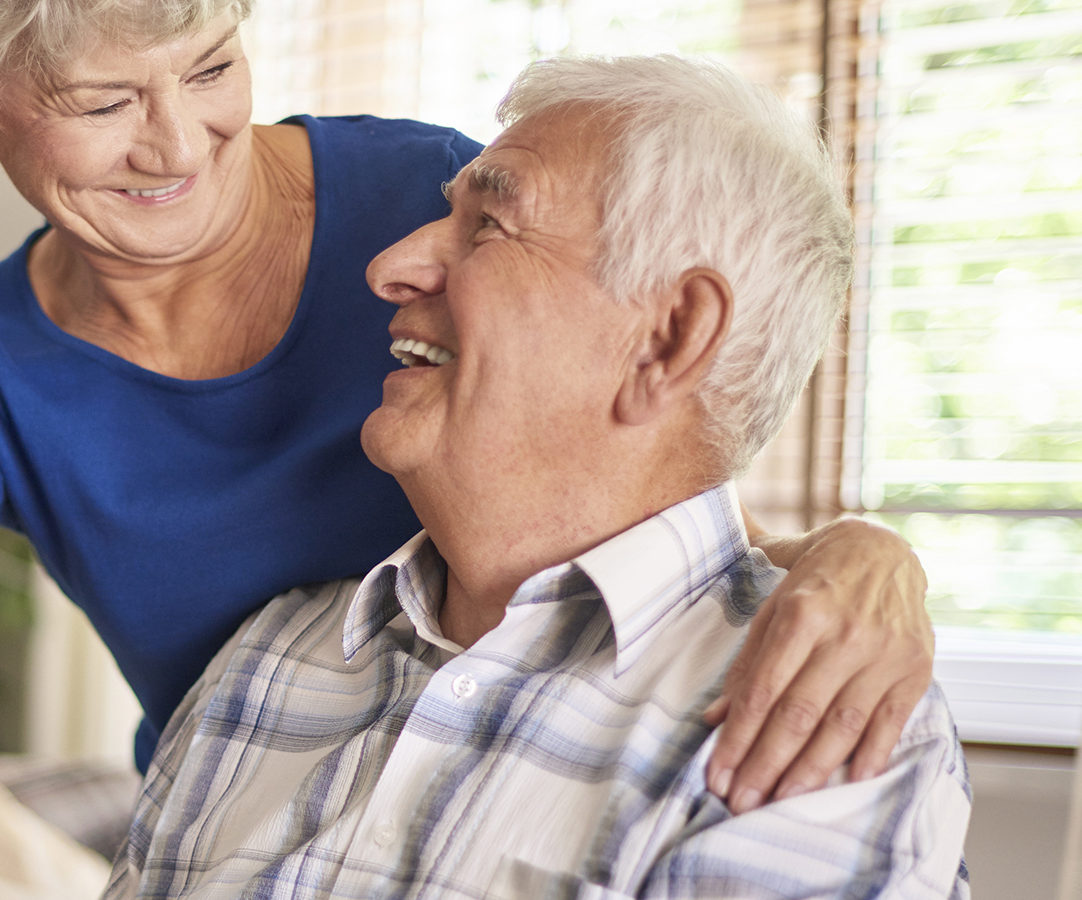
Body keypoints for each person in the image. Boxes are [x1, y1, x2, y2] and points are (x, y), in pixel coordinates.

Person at [0, 2, 938, 897]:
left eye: (214, 60)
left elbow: (641, 441)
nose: (179, 144)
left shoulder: (424, 212)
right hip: (249, 792)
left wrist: (862, 553)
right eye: (106, 101)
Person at [104, 55, 971, 900]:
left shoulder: (819, 722)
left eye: (488, 225)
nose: (389, 268)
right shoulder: (267, 660)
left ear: (669, 338)